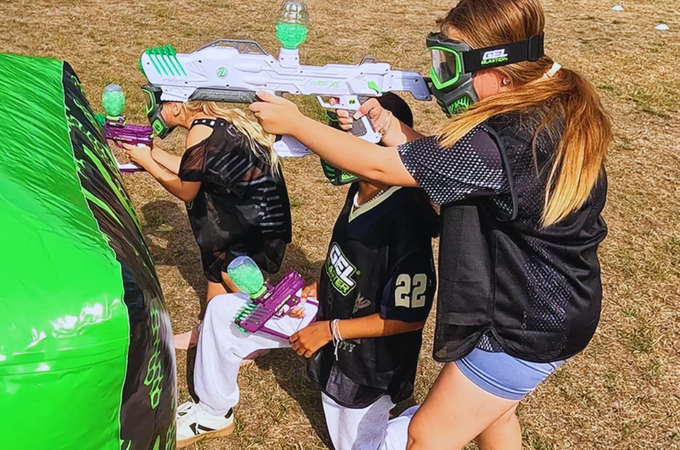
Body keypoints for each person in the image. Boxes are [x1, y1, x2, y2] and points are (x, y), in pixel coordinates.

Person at [249, 0, 612, 448]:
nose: (440, 77)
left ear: (500, 72)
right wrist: (388, 124)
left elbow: (380, 168)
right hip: (555, 306)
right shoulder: (540, 108)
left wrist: (295, 122)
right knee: (495, 418)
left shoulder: (509, 139)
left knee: (426, 436)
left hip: (525, 325)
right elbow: (452, 163)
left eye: (450, 64)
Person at [175, 94, 439, 450]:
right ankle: (212, 412)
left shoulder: (406, 221)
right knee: (223, 312)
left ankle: (442, 417)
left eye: (344, 134)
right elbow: (355, 262)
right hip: (327, 314)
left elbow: (408, 317)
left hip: (365, 352)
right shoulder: (362, 188)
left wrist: (329, 331)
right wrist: (322, 284)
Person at [123, 94, 292, 349]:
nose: (153, 111)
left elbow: (186, 190)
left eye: (159, 104)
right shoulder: (212, 121)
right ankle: (208, 331)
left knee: (232, 270)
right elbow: (194, 168)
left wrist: (148, 163)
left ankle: (270, 327)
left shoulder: (199, 131)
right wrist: (153, 153)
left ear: (176, 106)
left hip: (257, 220)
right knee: (216, 267)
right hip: (255, 209)